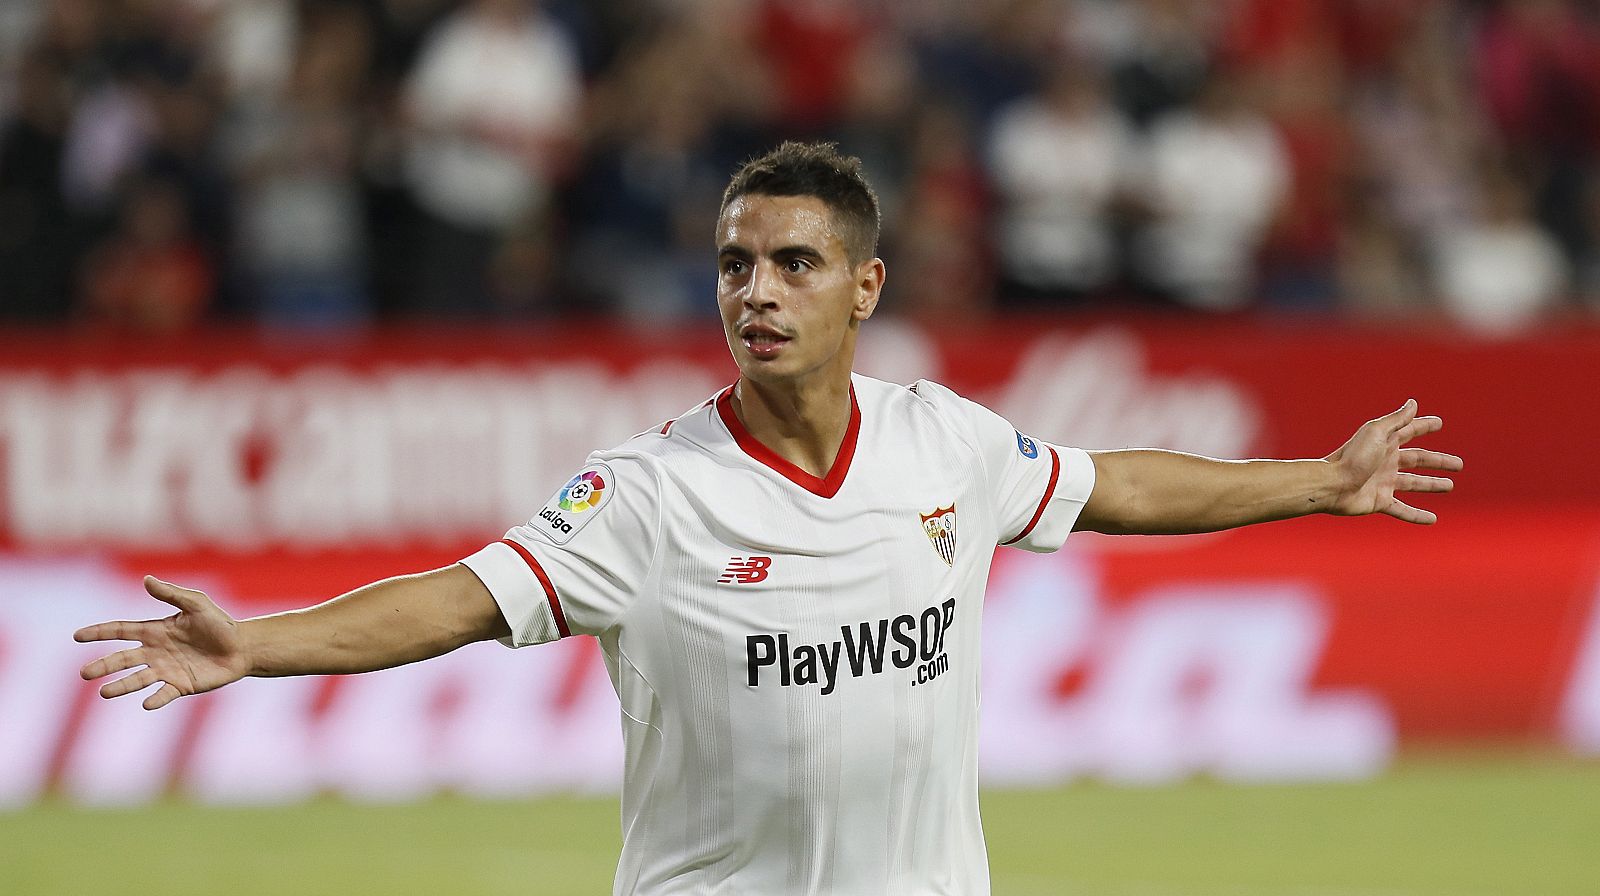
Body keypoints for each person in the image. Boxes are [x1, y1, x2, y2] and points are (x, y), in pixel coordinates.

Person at [76, 142, 1461, 895]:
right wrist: (259, 644)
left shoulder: (948, 442)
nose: (757, 289)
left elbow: (1111, 487)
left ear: (863, 287)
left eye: (795, 263)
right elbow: (459, 597)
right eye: (737, 261)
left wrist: (1319, 482)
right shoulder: (648, 491)